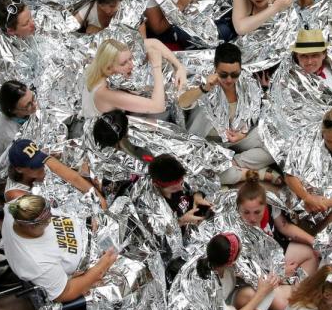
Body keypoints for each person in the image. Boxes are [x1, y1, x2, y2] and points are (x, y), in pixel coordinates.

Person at [179, 43, 281, 184]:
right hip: (207, 145)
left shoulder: (247, 81)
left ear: (240, 68)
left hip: (236, 138)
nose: (229, 80)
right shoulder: (203, 79)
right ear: (215, 68)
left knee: (277, 143)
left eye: (234, 74)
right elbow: (182, 102)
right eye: (223, 74)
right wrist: (204, 88)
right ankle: (254, 172)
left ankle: (234, 163)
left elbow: (255, 111)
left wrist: (243, 133)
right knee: (207, 174)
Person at [2, 194, 119, 302]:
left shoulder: (18, 208)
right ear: (31, 227)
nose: (51, 218)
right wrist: (102, 266)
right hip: (93, 265)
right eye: (48, 219)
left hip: (92, 230)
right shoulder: (37, 262)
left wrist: (88, 219)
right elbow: (64, 293)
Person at [196, 232, 284, 310]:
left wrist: (276, 277)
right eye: (240, 249)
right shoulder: (209, 283)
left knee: (259, 294)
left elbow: (262, 271)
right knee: (261, 296)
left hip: (228, 299)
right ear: (230, 262)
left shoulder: (221, 258)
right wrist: (260, 294)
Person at [83, 36, 186, 116]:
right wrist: (156, 66)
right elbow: (158, 107)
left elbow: (154, 43)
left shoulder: (101, 64)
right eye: (124, 63)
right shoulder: (104, 93)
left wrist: (179, 67)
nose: (131, 65)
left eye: (130, 58)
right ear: (109, 68)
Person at [235, 181, 319, 278]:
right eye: (246, 212)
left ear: (265, 206)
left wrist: (314, 242)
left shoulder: (270, 208)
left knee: (310, 253)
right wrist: (280, 273)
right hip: (260, 271)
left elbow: (285, 226)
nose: (252, 218)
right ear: (239, 208)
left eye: (257, 212)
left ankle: (298, 289)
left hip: (274, 253)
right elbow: (244, 268)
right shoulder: (234, 225)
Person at [3, 139, 96, 202]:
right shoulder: (16, 194)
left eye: (40, 161)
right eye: (35, 166)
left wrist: (99, 201)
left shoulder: (39, 161)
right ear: (19, 169)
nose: (41, 166)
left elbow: (75, 179)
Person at [148, 153, 213, 229]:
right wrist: (182, 221)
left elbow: (193, 189)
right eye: (174, 188)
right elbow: (162, 231)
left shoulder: (176, 179)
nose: (181, 189)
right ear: (157, 185)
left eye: (181, 183)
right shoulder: (156, 206)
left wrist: (198, 198)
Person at [0, 81, 37, 164]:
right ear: (13, 110)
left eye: (33, 98)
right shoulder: (10, 136)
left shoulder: (21, 112)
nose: (35, 105)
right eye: (28, 105)